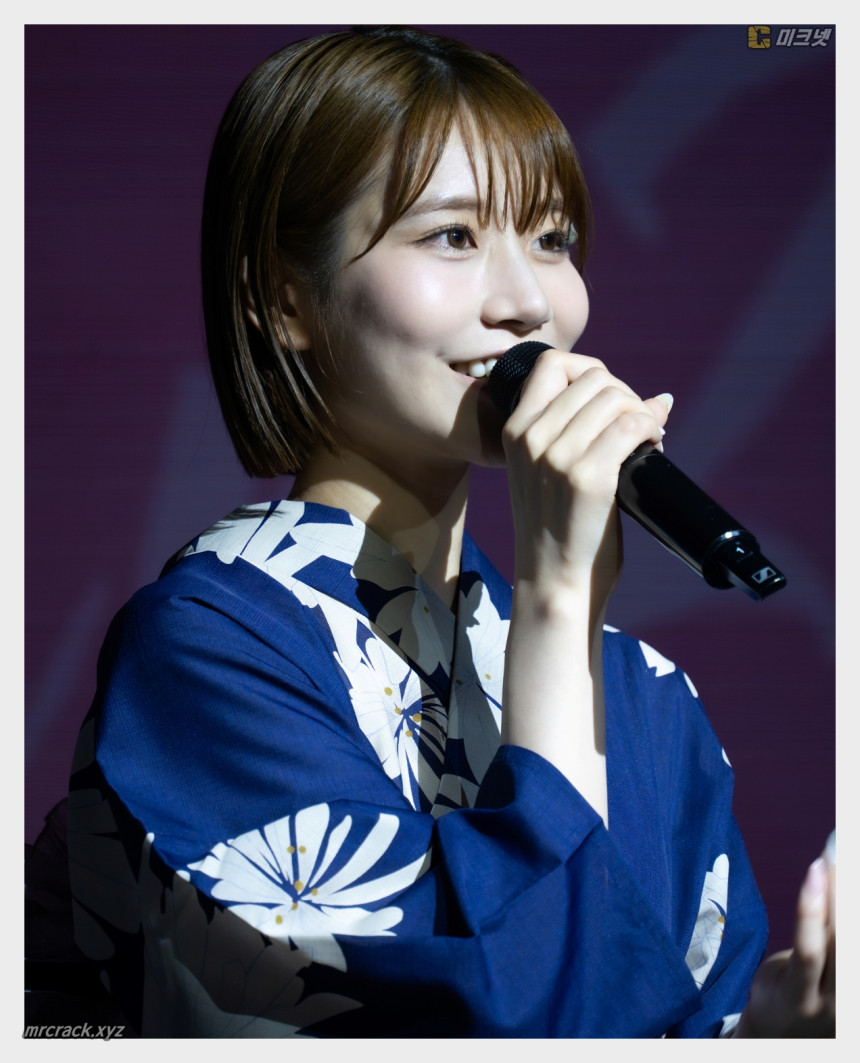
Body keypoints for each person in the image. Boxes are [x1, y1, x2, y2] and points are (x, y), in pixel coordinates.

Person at [65, 25, 835, 1037]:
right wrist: (559, 599)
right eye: (452, 237)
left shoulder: (641, 694)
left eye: (551, 238)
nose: (528, 303)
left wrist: (781, 1028)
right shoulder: (208, 648)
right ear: (283, 298)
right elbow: (513, 1018)